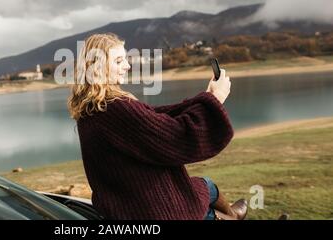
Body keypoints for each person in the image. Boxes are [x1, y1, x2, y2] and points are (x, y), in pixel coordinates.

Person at [67, 32, 247, 220]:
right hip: (153, 211)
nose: (127, 66)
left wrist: (206, 98)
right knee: (202, 198)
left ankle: (233, 214)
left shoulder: (93, 108)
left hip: (127, 204)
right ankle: (233, 217)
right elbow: (175, 136)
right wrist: (216, 99)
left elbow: (155, 118)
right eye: (119, 61)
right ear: (97, 67)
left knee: (206, 185)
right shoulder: (114, 108)